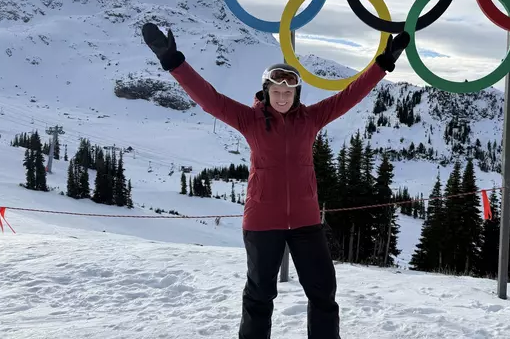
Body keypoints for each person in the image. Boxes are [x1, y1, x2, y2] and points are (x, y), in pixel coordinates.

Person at [141, 22, 409, 339]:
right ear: (266, 93)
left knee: (323, 291)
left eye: (288, 92)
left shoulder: (311, 118)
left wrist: (382, 63)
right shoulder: (249, 119)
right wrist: (174, 63)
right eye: (276, 92)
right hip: (261, 222)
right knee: (259, 296)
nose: (282, 98)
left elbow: (350, 95)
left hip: (306, 222)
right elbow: (209, 99)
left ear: (296, 94)